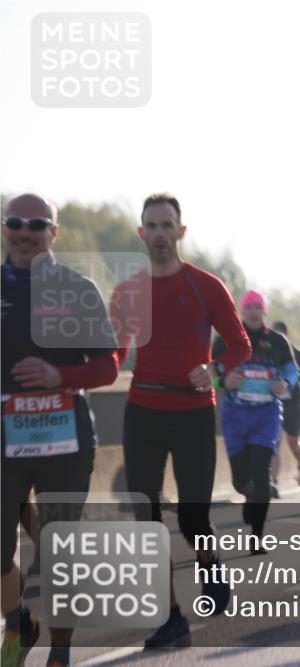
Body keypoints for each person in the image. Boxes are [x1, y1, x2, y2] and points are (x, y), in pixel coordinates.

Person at [110, 193, 252, 649]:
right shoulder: (128, 292)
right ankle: (171, 618)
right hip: (144, 411)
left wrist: (213, 369)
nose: (158, 234)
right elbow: (113, 353)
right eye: (150, 226)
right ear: (141, 233)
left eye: (166, 225)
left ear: (180, 232)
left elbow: (240, 345)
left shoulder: (206, 286)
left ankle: (211, 568)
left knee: (193, 518)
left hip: (193, 412)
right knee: (146, 518)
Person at [2, 194, 120, 667]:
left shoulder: (77, 289)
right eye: (16, 222)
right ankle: (17, 622)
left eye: (37, 224)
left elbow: (109, 366)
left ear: (54, 232)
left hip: (65, 440)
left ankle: (62, 653)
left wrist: (59, 377)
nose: (25, 231)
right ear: (5, 228)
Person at [213, 290, 299, 553]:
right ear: (242, 310)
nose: (252, 311)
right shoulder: (226, 340)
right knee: (241, 482)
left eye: (257, 307)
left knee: (261, 474)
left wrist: (285, 385)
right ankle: (250, 498)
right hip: (236, 416)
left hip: (266, 415)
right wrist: (223, 381)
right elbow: (209, 369)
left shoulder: (277, 341)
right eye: (248, 307)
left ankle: (256, 537)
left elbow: (292, 371)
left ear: (264, 311)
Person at [269, 320, 300, 498]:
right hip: (274, 403)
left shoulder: (296, 353)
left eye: (282, 335)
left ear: (286, 335)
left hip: (292, 404)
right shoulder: (268, 352)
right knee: (275, 443)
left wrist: (290, 378)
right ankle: (273, 483)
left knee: (293, 442)